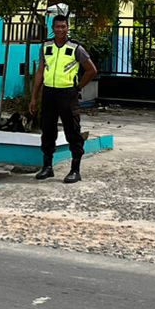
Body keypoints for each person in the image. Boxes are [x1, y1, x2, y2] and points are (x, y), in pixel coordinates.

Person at [27, 13, 98, 184]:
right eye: (57, 27)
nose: (60, 30)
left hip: (68, 95)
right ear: (52, 28)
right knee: (47, 131)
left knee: (72, 132)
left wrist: (78, 87)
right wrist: (34, 97)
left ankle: (75, 169)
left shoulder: (75, 48)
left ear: (67, 28)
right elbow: (40, 72)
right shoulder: (46, 47)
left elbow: (91, 70)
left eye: (63, 26)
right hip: (49, 94)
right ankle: (47, 167)